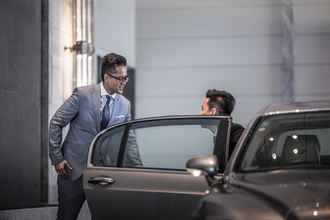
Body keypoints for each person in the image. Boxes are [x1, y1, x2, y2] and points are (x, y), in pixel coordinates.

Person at [49, 52, 141, 220]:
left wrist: (139, 170)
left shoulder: (125, 105)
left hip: (105, 176)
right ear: (106, 76)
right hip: (73, 171)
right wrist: (57, 158)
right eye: (120, 78)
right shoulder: (82, 95)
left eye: (125, 78)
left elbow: (130, 140)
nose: (124, 82)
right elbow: (56, 122)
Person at [200, 89, 244, 158]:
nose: (200, 113)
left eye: (202, 109)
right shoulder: (224, 133)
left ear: (212, 112)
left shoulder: (235, 134)